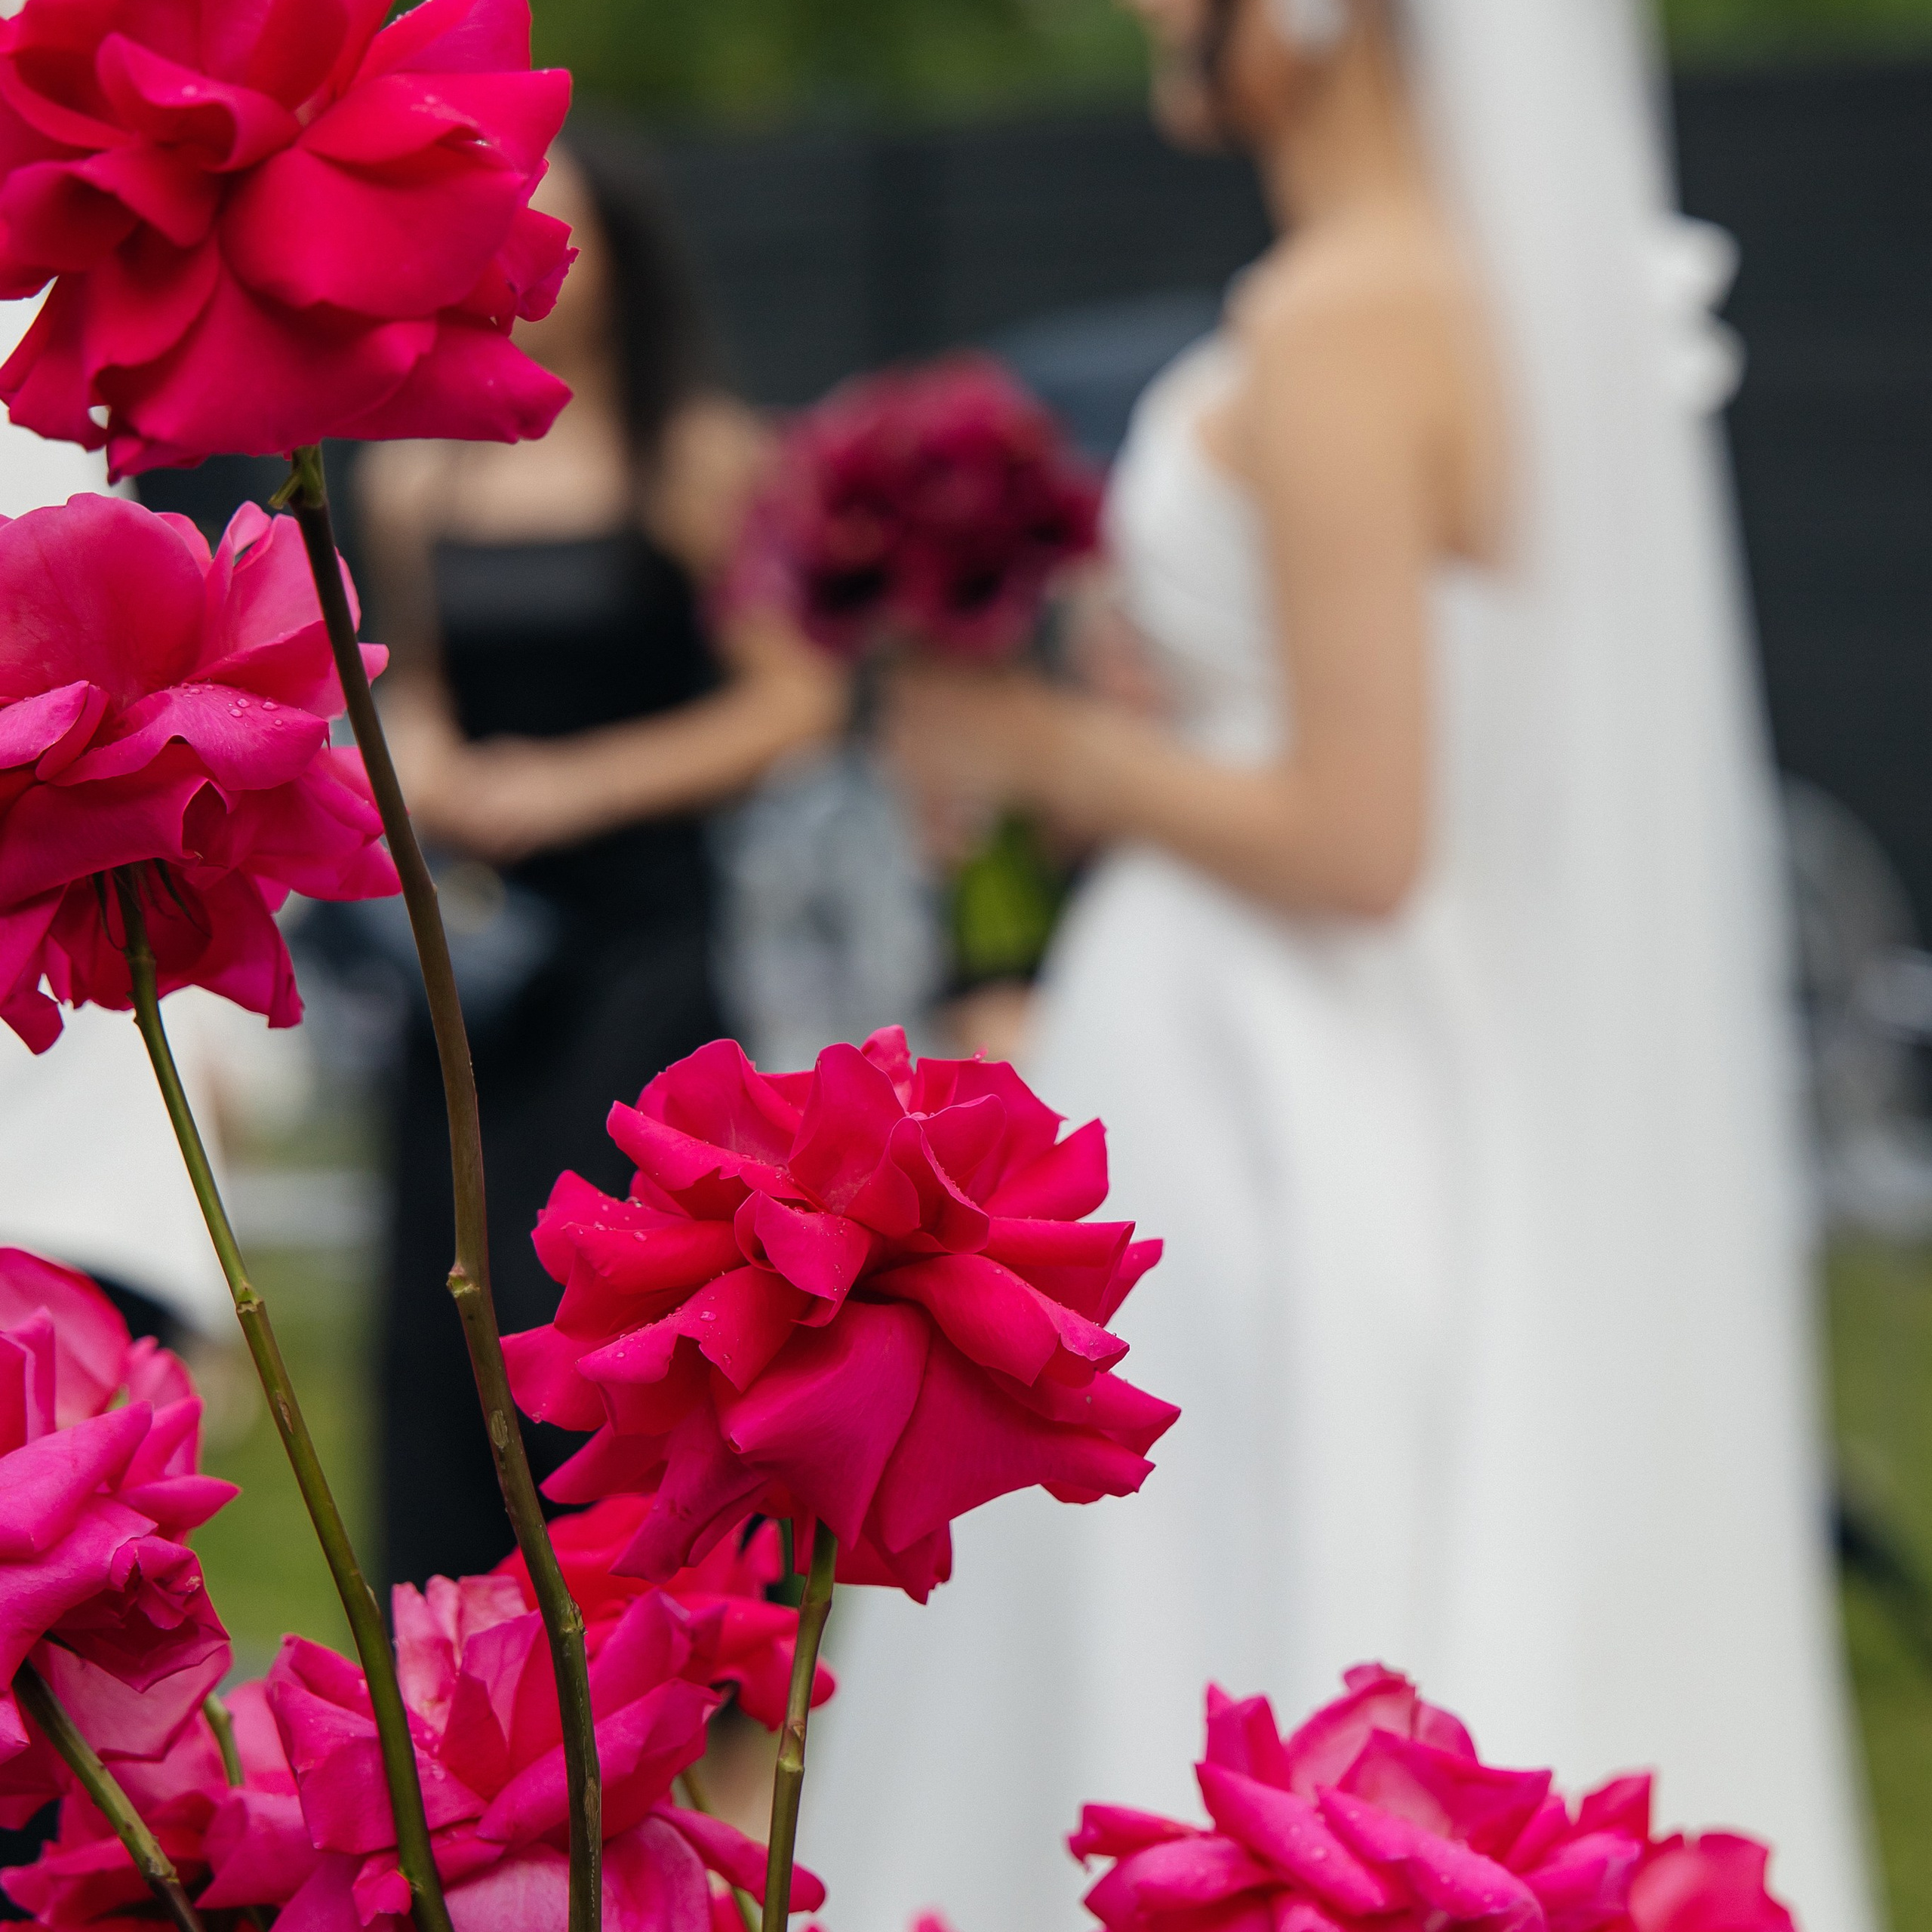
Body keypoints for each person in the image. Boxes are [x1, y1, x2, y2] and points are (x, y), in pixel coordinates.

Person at [804, 4, 1878, 1930]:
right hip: (1357, 1067)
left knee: (1213, 1624)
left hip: (1263, 1095)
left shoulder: (1334, 324)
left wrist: (1048, 751)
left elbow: (1363, 838)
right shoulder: (1481, 300)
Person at [360, 130, 844, 1591]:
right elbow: (416, 677)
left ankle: (669, 1645)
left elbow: (797, 699)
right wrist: (420, 749)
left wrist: (578, 784)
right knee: (447, 1316)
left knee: (613, 1322)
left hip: (640, 957)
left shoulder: (697, 462)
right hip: (475, 968)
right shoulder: (414, 468)